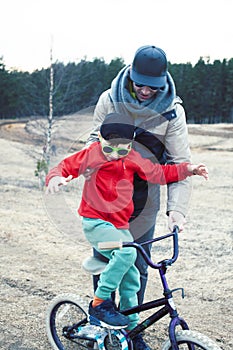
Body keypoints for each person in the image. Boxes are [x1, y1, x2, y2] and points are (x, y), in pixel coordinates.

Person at [46, 113, 208, 350]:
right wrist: (55, 177)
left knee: (132, 276)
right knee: (126, 254)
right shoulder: (92, 153)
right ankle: (100, 302)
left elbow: (159, 173)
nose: (116, 154)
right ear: (101, 139)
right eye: (110, 148)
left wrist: (189, 169)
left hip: (120, 227)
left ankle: (131, 330)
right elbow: (66, 166)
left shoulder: (132, 157)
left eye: (123, 149)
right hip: (96, 224)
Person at [86, 45, 193, 310]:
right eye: (140, 85)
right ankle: (102, 322)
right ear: (131, 75)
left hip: (144, 200)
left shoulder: (172, 112)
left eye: (152, 87)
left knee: (138, 265)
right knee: (106, 260)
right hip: (106, 200)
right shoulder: (109, 100)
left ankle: (131, 330)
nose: (145, 91)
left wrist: (176, 210)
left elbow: (180, 163)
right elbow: (93, 138)